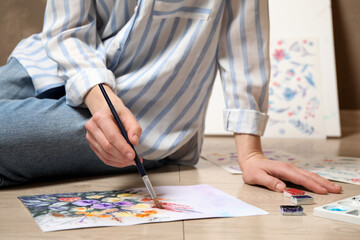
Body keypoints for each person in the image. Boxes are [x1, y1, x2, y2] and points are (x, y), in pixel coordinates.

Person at [0, 0, 341, 194]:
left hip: (148, 113)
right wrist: (97, 94)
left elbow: (244, 43)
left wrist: (250, 152)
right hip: (43, 62)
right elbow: (65, 28)